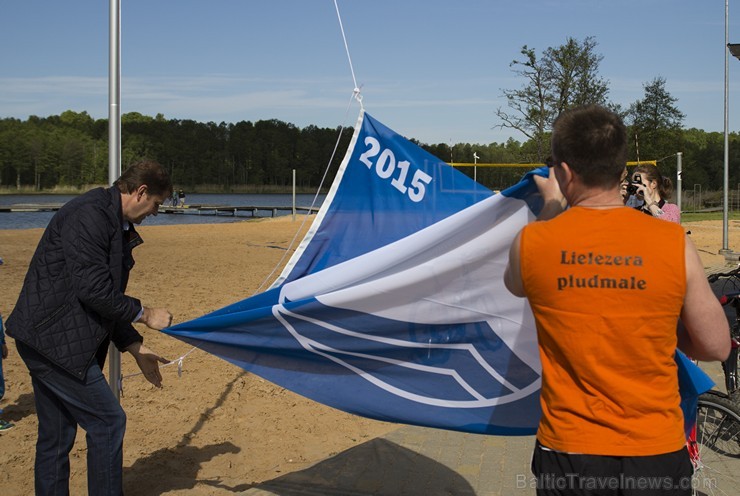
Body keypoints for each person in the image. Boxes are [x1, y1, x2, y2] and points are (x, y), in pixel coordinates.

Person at [503, 105, 730, 495]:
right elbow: (716, 345)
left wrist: (553, 208)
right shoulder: (673, 242)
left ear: (565, 172)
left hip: (569, 449)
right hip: (655, 447)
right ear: (621, 172)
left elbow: (514, 285)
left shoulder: (532, 242)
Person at [5, 159, 174, 495]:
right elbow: (94, 291)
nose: (155, 212)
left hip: (53, 339)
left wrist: (135, 346)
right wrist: (146, 313)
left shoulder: (112, 220)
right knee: (109, 421)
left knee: (57, 436)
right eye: (156, 204)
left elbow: (105, 298)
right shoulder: (91, 214)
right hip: (54, 342)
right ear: (141, 192)